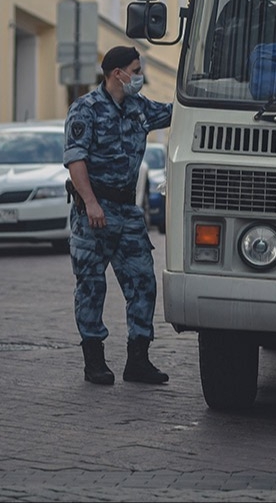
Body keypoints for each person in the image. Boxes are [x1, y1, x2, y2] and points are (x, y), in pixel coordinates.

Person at [64, 45, 173, 385]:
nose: (140, 77)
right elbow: (75, 160)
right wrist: (92, 203)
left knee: (143, 282)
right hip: (93, 213)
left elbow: (177, 111)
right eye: (136, 70)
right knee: (91, 287)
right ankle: (94, 360)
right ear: (117, 74)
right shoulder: (86, 109)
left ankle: (138, 360)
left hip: (127, 211)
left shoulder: (139, 107)